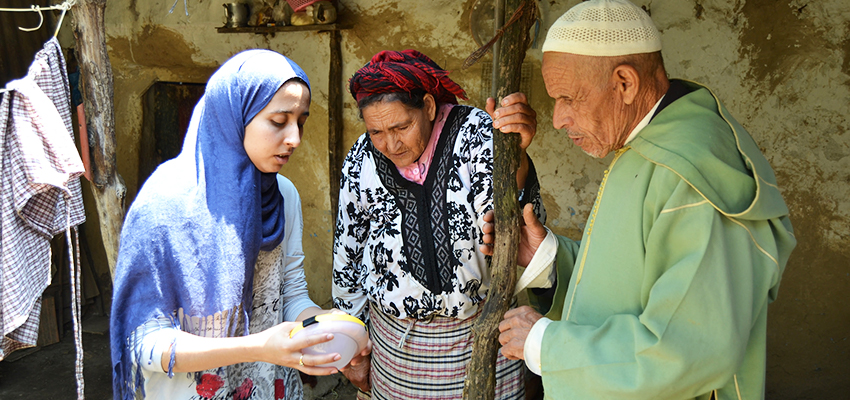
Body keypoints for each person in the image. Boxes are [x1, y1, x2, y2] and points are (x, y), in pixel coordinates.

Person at [484, 1, 797, 399]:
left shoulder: (691, 174)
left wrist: (545, 344)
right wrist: (548, 257)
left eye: (568, 98)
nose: (559, 119)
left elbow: (690, 349)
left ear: (625, 83)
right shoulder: (648, 144)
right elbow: (635, 281)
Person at [110, 49, 366, 400]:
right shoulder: (163, 206)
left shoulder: (283, 196)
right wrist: (257, 347)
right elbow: (142, 342)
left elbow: (289, 292)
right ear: (235, 115)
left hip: (272, 387)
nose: (294, 138)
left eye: (300, 122)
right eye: (279, 121)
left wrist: (324, 330)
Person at [332, 49, 549, 400]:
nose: (390, 144)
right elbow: (348, 251)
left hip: (479, 340)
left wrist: (517, 158)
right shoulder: (361, 158)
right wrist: (352, 345)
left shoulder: (477, 135)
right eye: (376, 131)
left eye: (401, 126)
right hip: (396, 351)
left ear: (430, 108)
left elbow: (515, 221)